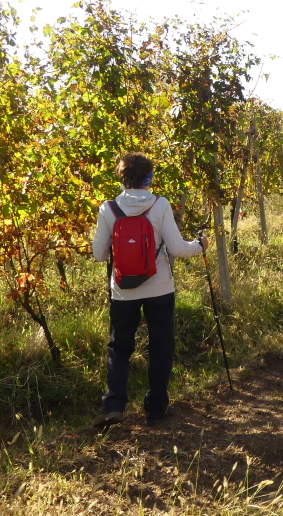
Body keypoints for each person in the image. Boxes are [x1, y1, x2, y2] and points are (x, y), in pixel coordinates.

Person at [91, 152, 209, 430]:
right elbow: (178, 249)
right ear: (149, 177)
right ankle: (156, 409)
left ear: (120, 177)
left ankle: (114, 405)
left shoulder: (108, 208)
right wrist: (200, 246)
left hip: (123, 291)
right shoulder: (160, 205)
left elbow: (98, 254)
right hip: (159, 288)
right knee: (161, 347)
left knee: (119, 348)